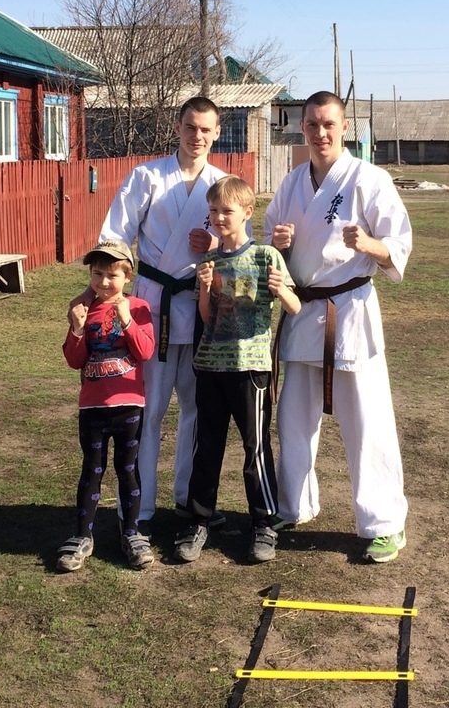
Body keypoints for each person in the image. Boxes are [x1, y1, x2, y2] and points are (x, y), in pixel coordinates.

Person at [264, 90, 414, 563]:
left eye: (328, 124)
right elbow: (270, 247)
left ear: (344, 127)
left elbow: (399, 244)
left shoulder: (369, 179)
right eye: (312, 124)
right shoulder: (292, 183)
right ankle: (293, 505)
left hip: (349, 313)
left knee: (367, 422)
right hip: (301, 310)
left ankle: (384, 523)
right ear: (302, 128)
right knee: (293, 419)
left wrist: (370, 245)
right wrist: (278, 243)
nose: (320, 133)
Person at [95, 97, 226, 526]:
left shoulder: (223, 184)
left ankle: (187, 496)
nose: (197, 136)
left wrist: (216, 245)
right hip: (152, 307)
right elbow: (115, 236)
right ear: (177, 127)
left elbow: (239, 244)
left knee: (195, 407)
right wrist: (108, 292)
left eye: (205, 129)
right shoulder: (147, 176)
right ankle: (139, 504)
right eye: (190, 127)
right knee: (147, 409)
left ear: (217, 133)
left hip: (201, 305)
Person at [174, 176, 300, 565]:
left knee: (255, 447)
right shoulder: (208, 261)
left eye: (226, 211)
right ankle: (199, 520)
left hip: (250, 367)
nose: (218, 218)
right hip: (211, 364)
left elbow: (295, 307)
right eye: (213, 211)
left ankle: (264, 523)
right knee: (206, 445)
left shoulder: (266, 256)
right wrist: (205, 288)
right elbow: (207, 317)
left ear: (247, 212)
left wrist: (281, 290)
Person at [58, 239, 156, 573]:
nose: (103, 282)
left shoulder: (139, 307)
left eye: (112, 275)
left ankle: (132, 532)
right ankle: (82, 535)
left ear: (127, 276)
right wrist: (77, 328)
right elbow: (74, 360)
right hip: (93, 407)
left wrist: (127, 320)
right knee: (92, 469)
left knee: (127, 470)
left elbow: (145, 352)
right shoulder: (83, 309)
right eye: (97, 273)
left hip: (129, 406)